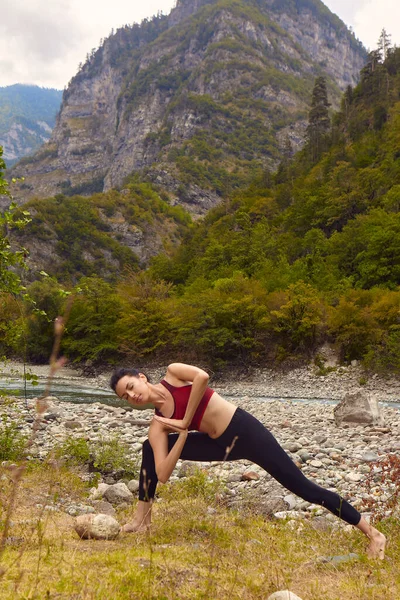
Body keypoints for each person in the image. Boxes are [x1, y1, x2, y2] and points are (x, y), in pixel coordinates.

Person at [110, 362, 386, 559]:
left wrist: (183, 419)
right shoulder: (158, 425)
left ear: (142, 377)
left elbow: (203, 377)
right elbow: (163, 474)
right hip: (217, 444)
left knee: (303, 487)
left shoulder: (173, 375)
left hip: (245, 431)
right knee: (150, 446)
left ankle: (373, 534)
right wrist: (181, 435)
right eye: (126, 396)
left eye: (131, 386)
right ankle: (142, 520)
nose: (133, 396)